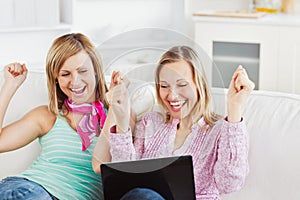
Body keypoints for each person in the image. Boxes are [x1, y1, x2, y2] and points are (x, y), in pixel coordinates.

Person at [92, 46, 255, 200]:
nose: (172, 95)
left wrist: (235, 107)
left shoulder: (221, 130)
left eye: (182, 85)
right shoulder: (151, 123)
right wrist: (121, 119)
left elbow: (229, 183)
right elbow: (124, 179)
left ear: (199, 85)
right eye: (164, 86)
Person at [0, 33, 113, 199]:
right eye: (65, 74)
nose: (75, 82)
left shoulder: (117, 115)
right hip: (28, 188)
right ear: (56, 79)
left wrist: (118, 107)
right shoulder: (48, 116)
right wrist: (10, 85)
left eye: (82, 71)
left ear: (96, 71)